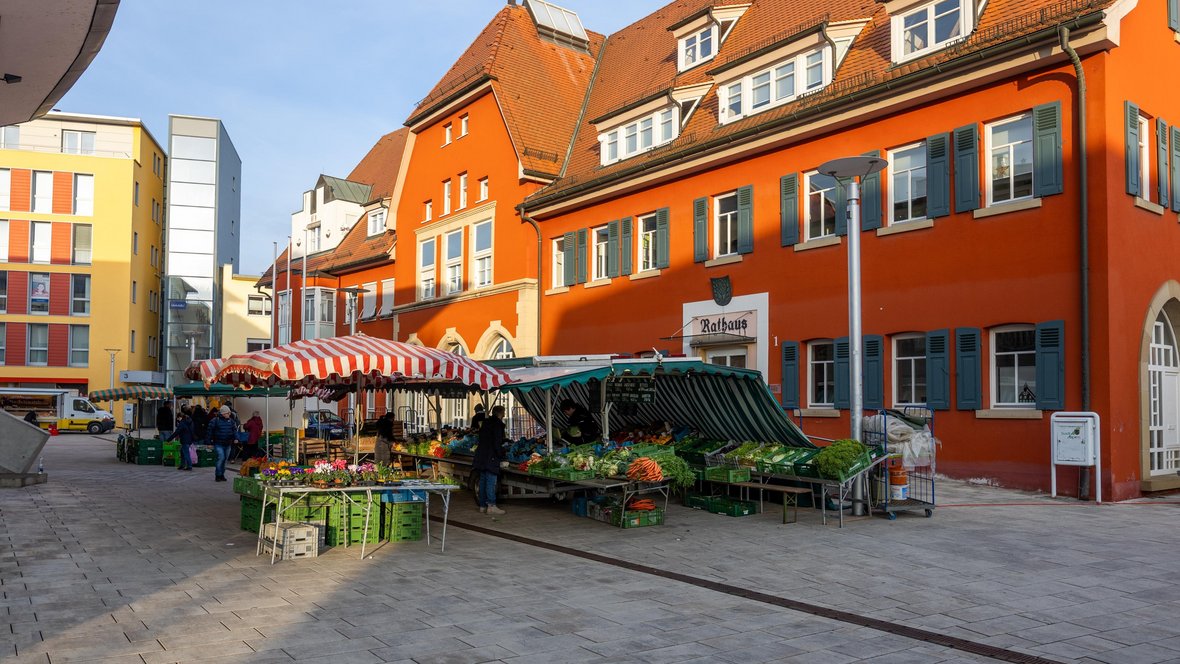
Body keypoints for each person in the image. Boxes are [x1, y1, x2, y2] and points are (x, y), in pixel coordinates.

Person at [472, 405, 506, 515]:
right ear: (501, 413)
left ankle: (482, 506)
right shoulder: (497, 425)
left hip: (481, 455)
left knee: (483, 480)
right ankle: (491, 506)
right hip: (491, 456)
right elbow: (497, 442)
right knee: (491, 481)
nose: (504, 414)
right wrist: (500, 455)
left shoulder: (486, 422)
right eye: (504, 412)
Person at [206, 405, 238, 482]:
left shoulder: (231, 421)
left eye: (229, 413)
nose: (229, 414)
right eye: (228, 413)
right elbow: (209, 432)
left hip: (228, 443)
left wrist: (236, 438)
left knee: (225, 460)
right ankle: (218, 475)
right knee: (221, 458)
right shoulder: (215, 421)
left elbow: (234, 431)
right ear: (223, 413)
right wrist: (208, 443)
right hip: (218, 443)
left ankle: (222, 474)